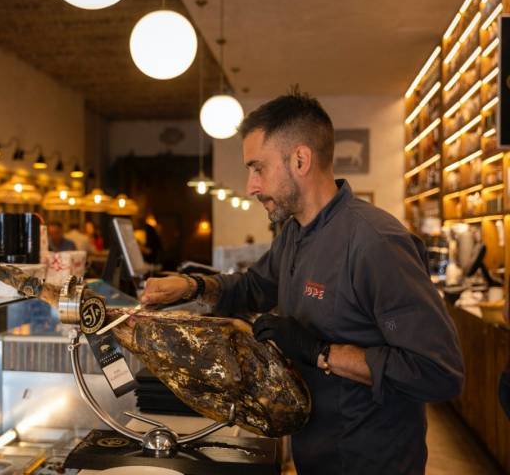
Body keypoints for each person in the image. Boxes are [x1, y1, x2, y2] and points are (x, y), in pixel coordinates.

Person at [141, 88, 464, 475]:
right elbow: (252, 287)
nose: (251, 186)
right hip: (314, 453)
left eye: (257, 168)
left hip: (372, 461)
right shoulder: (294, 233)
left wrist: (318, 351)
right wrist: (190, 287)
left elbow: (438, 372)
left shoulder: (375, 243)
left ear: (300, 159)